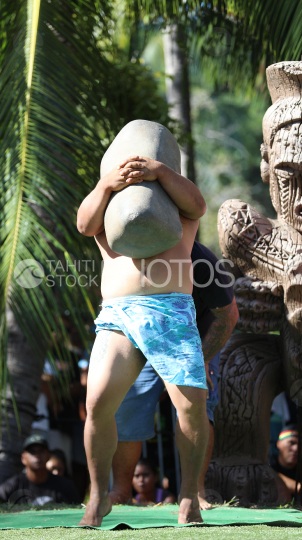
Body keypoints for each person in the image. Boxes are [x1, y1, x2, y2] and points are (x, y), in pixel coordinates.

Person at [77, 150, 209, 526]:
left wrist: (159, 170)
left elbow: (198, 205)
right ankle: (99, 496)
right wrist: (107, 184)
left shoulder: (178, 207)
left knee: (189, 409)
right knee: (98, 401)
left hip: (172, 312)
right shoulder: (110, 207)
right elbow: (84, 225)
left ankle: (188, 498)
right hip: (119, 314)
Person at [110, 241, 239, 510]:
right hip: (141, 336)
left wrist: (202, 359)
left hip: (194, 341)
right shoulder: (126, 250)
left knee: (196, 408)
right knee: (126, 407)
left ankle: (195, 491)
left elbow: (228, 316)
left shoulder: (201, 261)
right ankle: (121, 491)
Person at [0, 434, 80, 507]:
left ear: (48, 456)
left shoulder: (64, 485)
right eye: (32, 452)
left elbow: (77, 513)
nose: (37, 456)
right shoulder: (14, 484)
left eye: (41, 451)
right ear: (23, 458)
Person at [269, 426, 301, 498]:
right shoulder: (268, 462)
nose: (296, 449)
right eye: (291, 443)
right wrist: (298, 487)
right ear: (278, 443)